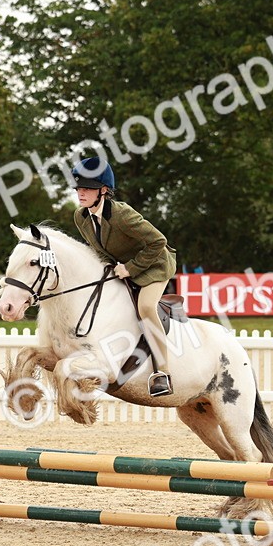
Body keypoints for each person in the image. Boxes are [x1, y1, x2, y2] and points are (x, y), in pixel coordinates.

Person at [71, 157, 177, 397]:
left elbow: (158, 242)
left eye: (87, 187)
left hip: (155, 265)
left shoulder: (122, 214)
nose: (81, 192)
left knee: (146, 307)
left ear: (104, 190)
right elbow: (99, 250)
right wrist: (109, 269)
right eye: (79, 187)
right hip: (123, 266)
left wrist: (130, 268)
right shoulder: (81, 217)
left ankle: (163, 373)